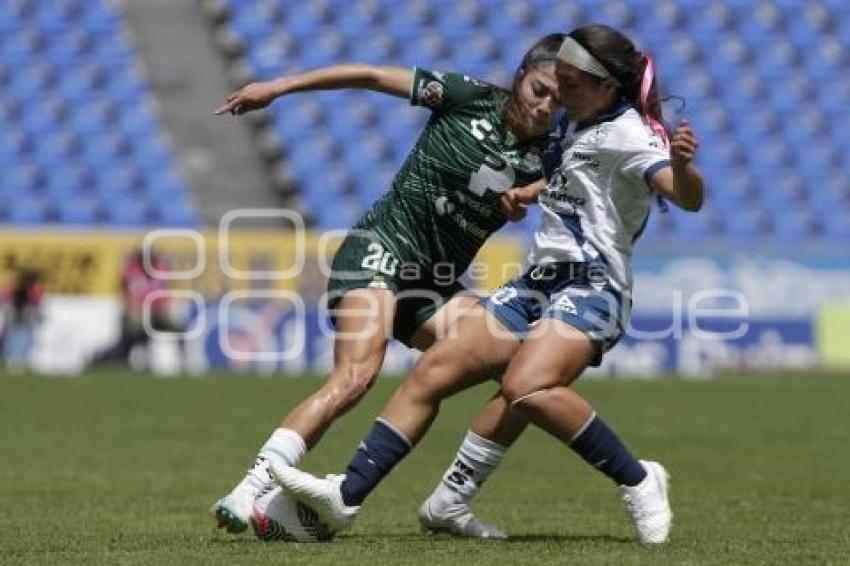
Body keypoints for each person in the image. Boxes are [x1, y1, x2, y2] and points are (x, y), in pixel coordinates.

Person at [273, 24, 705, 545]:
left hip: (594, 285)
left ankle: (639, 478)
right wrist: (531, 191)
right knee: (434, 370)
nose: (557, 98)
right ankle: (348, 496)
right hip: (538, 282)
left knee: (527, 387)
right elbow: (581, 174)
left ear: (605, 86)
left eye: (568, 85)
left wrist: (682, 166)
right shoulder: (577, 122)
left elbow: (685, 197)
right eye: (555, 82)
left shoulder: (631, 134)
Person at [209, 35, 564, 536]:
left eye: (558, 99)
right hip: (383, 246)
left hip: (435, 283)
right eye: (538, 89)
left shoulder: (553, 151)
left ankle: (449, 503)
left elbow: (577, 182)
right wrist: (279, 86)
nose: (545, 105)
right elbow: (372, 76)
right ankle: (250, 488)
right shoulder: (468, 96)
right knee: (356, 376)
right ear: (520, 75)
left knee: (526, 373)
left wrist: (530, 193)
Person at [1, 269, 44, 371]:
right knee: (17, 337)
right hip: (18, 316)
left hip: (22, 316)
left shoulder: (28, 290)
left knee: (21, 337)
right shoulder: (20, 290)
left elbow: (36, 302)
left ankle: (18, 360)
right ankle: (15, 360)